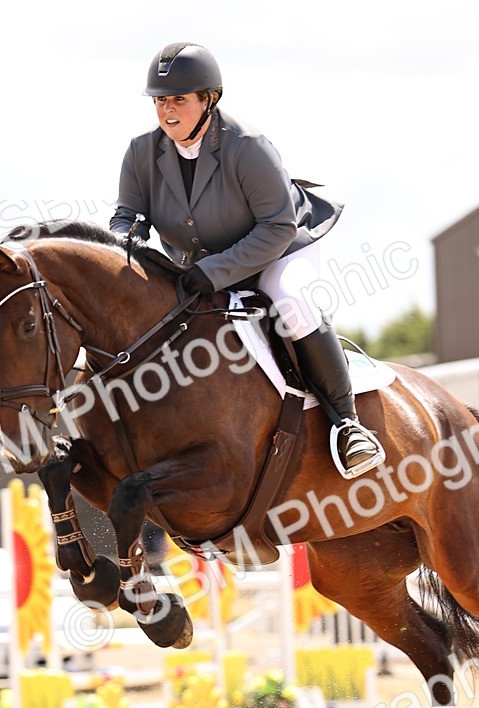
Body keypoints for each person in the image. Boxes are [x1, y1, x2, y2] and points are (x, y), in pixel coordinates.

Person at [110, 41, 385, 477]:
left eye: (179, 99)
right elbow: (125, 216)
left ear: (209, 99)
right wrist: (127, 241)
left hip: (279, 248)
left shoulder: (247, 145)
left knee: (290, 301)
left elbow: (277, 227)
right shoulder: (142, 152)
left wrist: (214, 272)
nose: (167, 111)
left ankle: (348, 425)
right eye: (160, 100)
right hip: (200, 265)